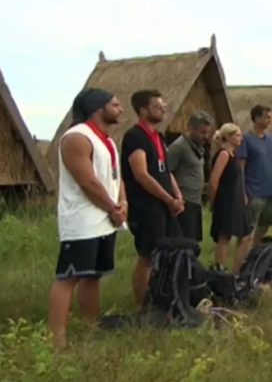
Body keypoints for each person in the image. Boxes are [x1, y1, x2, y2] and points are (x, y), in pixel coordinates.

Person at [47, 88, 127, 347]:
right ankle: (57, 339)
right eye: (115, 104)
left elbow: (116, 177)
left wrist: (123, 203)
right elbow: (87, 181)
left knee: (93, 275)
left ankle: (92, 326)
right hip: (83, 221)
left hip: (105, 219)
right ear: (98, 107)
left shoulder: (108, 140)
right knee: (68, 277)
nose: (120, 109)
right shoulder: (77, 137)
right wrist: (113, 208)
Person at [121, 89, 185, 306]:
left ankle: (164, 296)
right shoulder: (135, 137)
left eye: (163, 106)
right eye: (157, 107)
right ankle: (141, 303)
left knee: (170, 252)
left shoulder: (159, 136)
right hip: (146, 206)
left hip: (166, 205)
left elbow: (165, 170)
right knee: (148, 255)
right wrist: (168, 199)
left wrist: (177, 195)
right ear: (143, 110)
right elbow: (141, 174)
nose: (163, 109)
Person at [209, 123, 253, 273]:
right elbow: (214, 181)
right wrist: (213, 202)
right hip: (226, 200)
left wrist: (243, 196)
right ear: (228, 137)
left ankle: (236, 271)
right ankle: (220, 270)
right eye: (238, 135)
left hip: (237, 200)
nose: (241, 138)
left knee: (246, 236)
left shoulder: (234, 155)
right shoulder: (224, 154)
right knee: (224, 237)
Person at [168, 111, 214, 243]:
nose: (205, 136)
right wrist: (176, 197)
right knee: (185, 243)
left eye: (207, 132)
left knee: (194, 243)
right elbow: (167, 172)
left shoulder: (198, 148)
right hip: (184, 202)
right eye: (202, 132)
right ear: (190, 128)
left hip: (195, 202)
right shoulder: (179, 147)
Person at [237, 105, 272, 251]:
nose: (269, 120)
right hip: (253, 191)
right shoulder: (246, 139)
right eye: (266, 117)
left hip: (270, 192)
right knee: (248, 229)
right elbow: (241, 167)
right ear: (256, 118)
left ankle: (254, 254)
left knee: (264, 228)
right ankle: (242, 258)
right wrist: (243, 192)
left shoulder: (271, 140)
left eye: (270, 118)